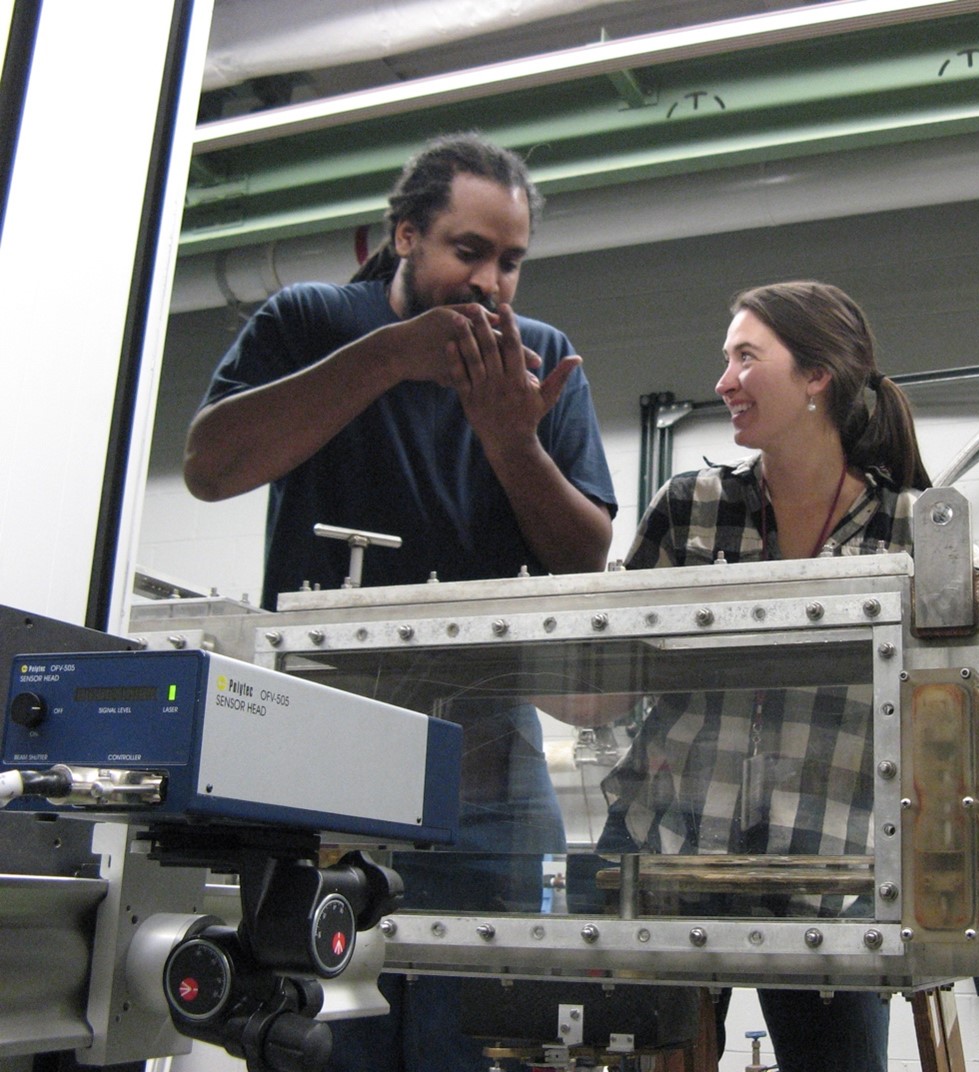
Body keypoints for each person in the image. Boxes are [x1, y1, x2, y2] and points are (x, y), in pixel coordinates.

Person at [183, 131, 617, 1072]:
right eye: (470, 251)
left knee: (481, 1038)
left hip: (487, 768)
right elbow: (211, 468)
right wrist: (387, 359)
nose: (493, 283)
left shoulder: (537, 358)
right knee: (328, 1037)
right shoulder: (310, 319)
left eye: (511, 262)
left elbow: (584, 551)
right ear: (407, 235)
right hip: (321, 759)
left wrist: (511, 439)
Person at [597, 281, 930, 1072]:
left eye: (747, 357)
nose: (723, 381)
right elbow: (608, 683)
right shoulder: (691, 510)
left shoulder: (906, 528)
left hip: (832, 870)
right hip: (669, 849)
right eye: (725, 359)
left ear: (816, 376)